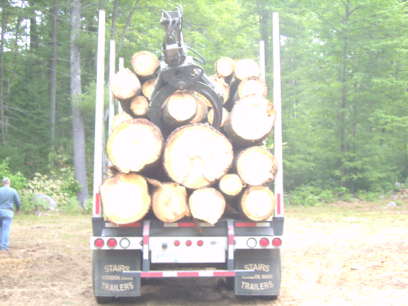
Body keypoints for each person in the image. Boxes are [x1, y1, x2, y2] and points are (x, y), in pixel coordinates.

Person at [0, 177, 21, 251]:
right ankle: (3, 246)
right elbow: (17, 202)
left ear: (2, 183)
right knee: (5, 229)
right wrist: (18, 209)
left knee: (1, 229)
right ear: (9, 183)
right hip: (8, 212)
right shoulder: (13, 191)